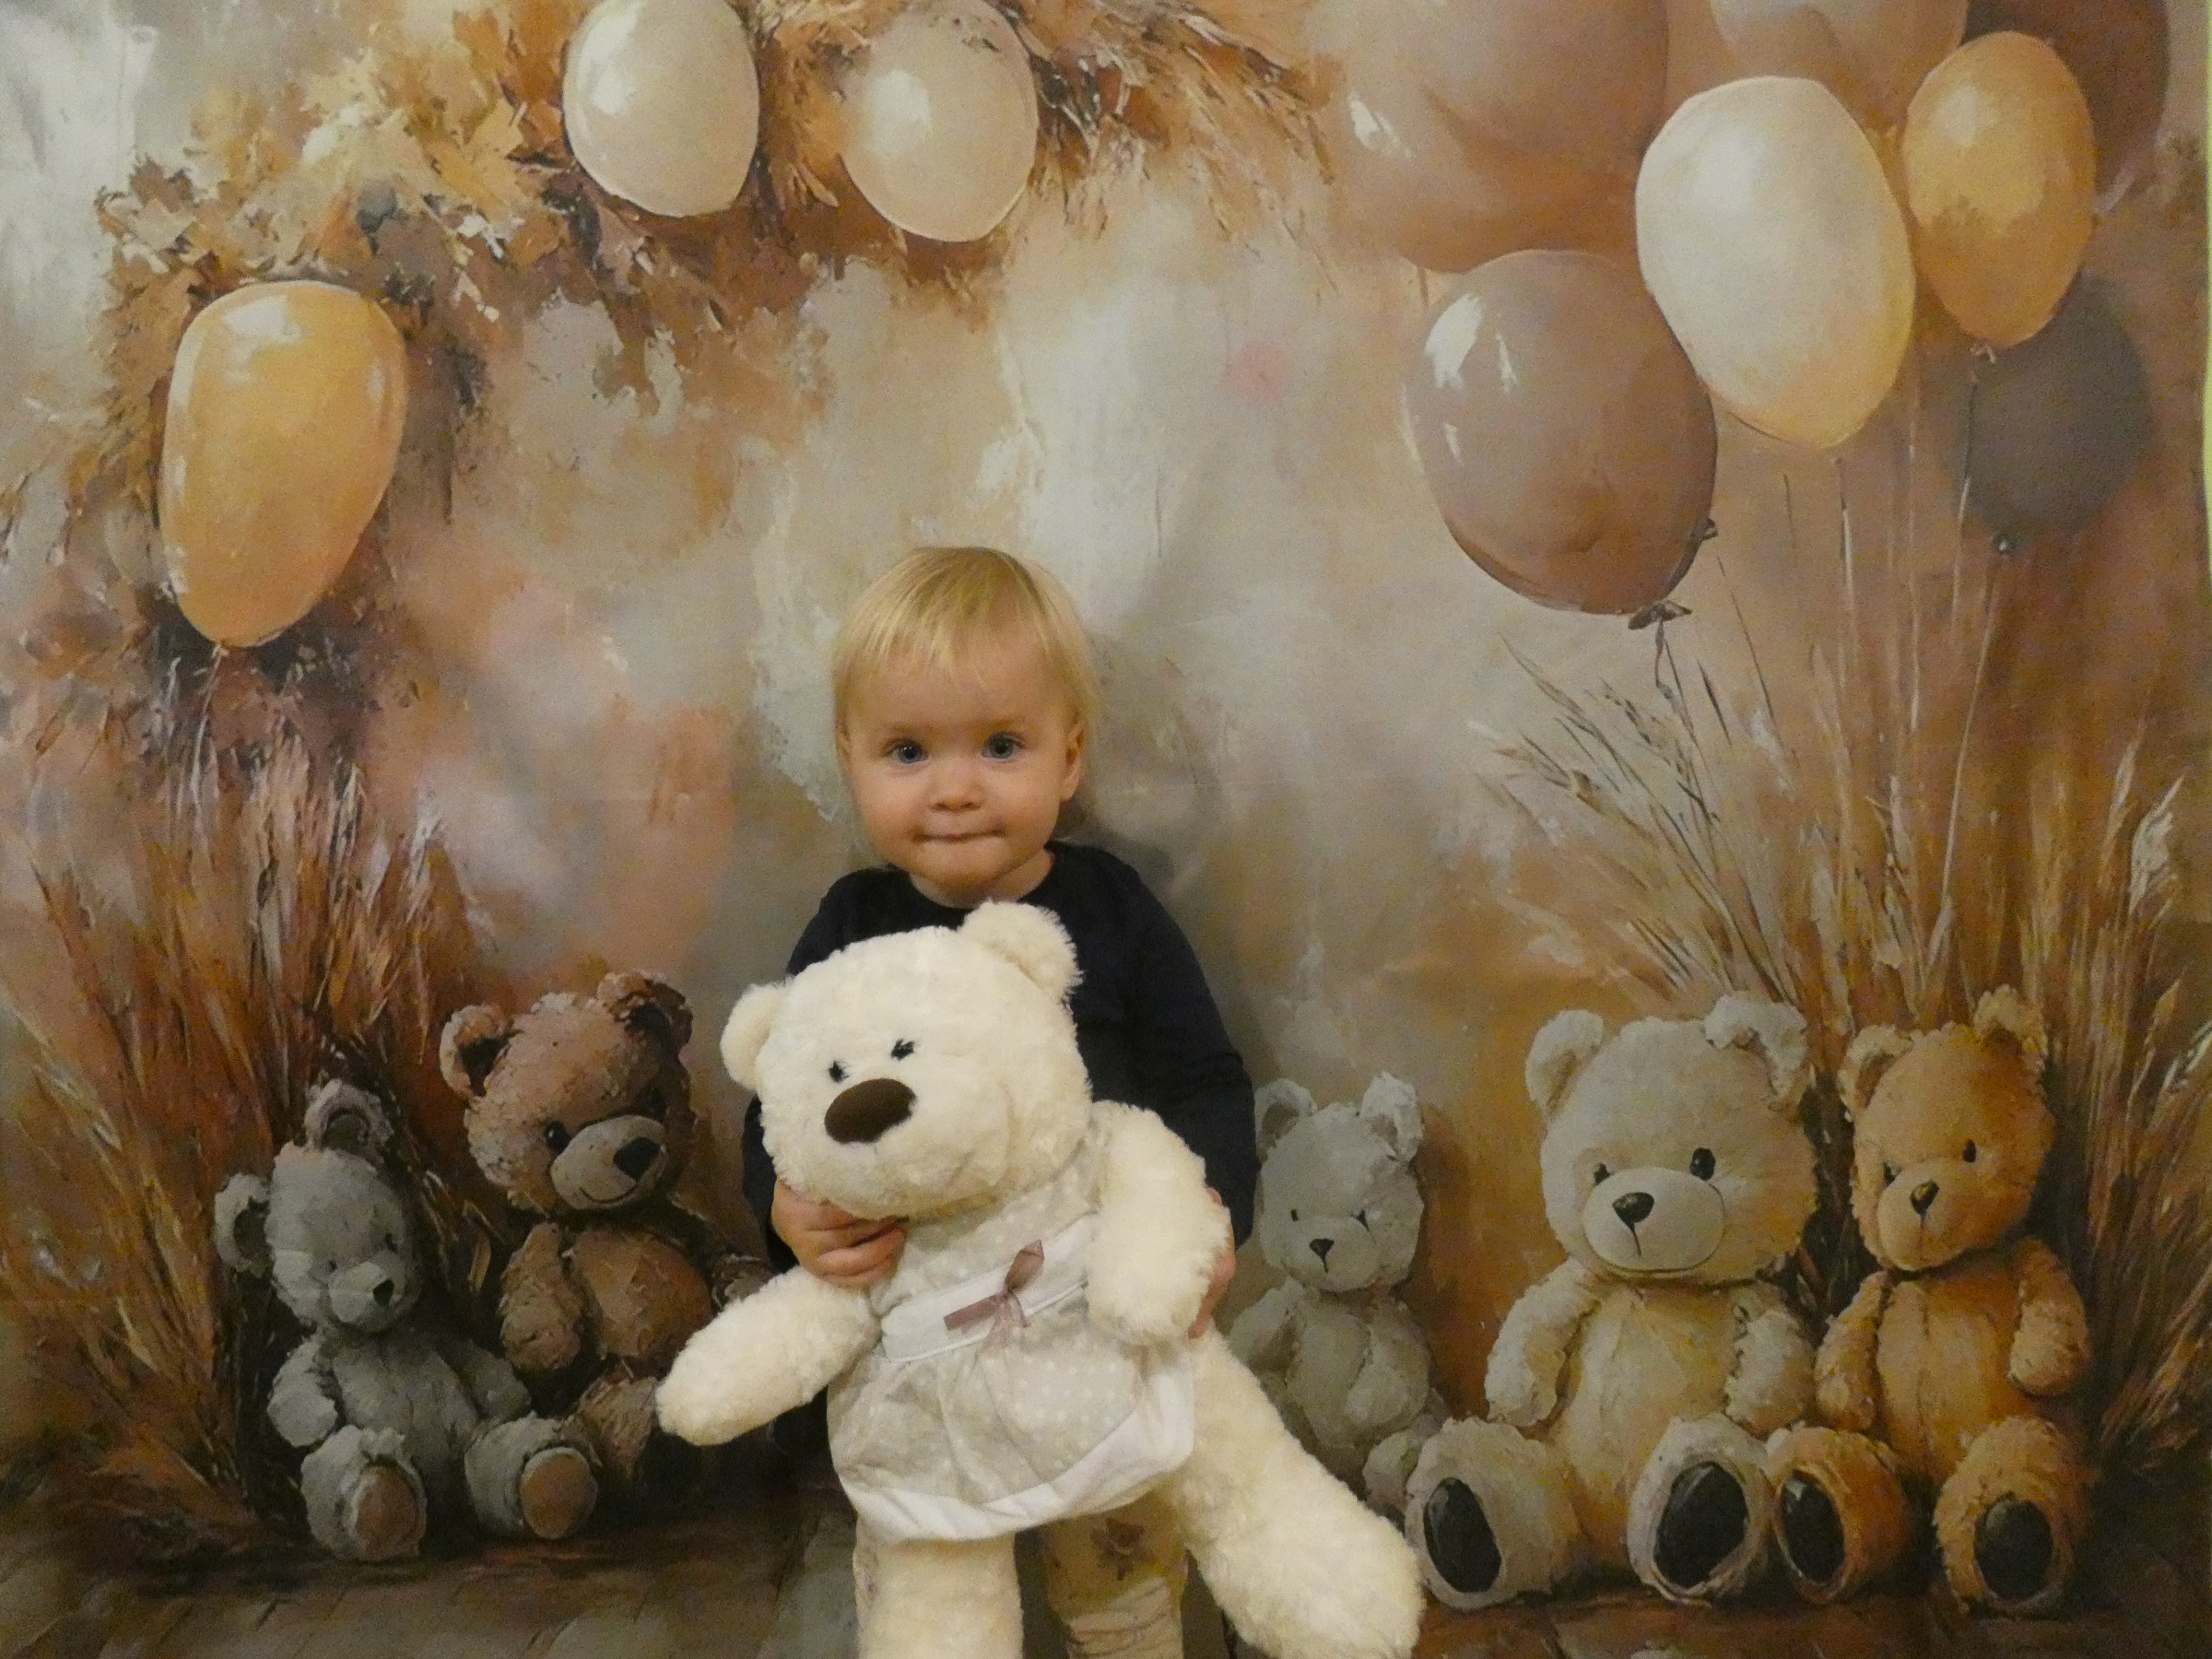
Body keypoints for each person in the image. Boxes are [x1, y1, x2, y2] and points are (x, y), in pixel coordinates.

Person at [737, 545, 1257, 1659]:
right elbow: (784, 1100)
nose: (955, 787)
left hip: (1085, 1321)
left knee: (1119, 1555)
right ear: (850, 758)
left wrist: (1208, 1218)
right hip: (918, 1347)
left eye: (1001, 746)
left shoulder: (1110, 912)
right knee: (928, 1568)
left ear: (1071, 758)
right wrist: (787, 1208)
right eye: (909, 751)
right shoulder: (851, 925)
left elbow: (1203, 1080)